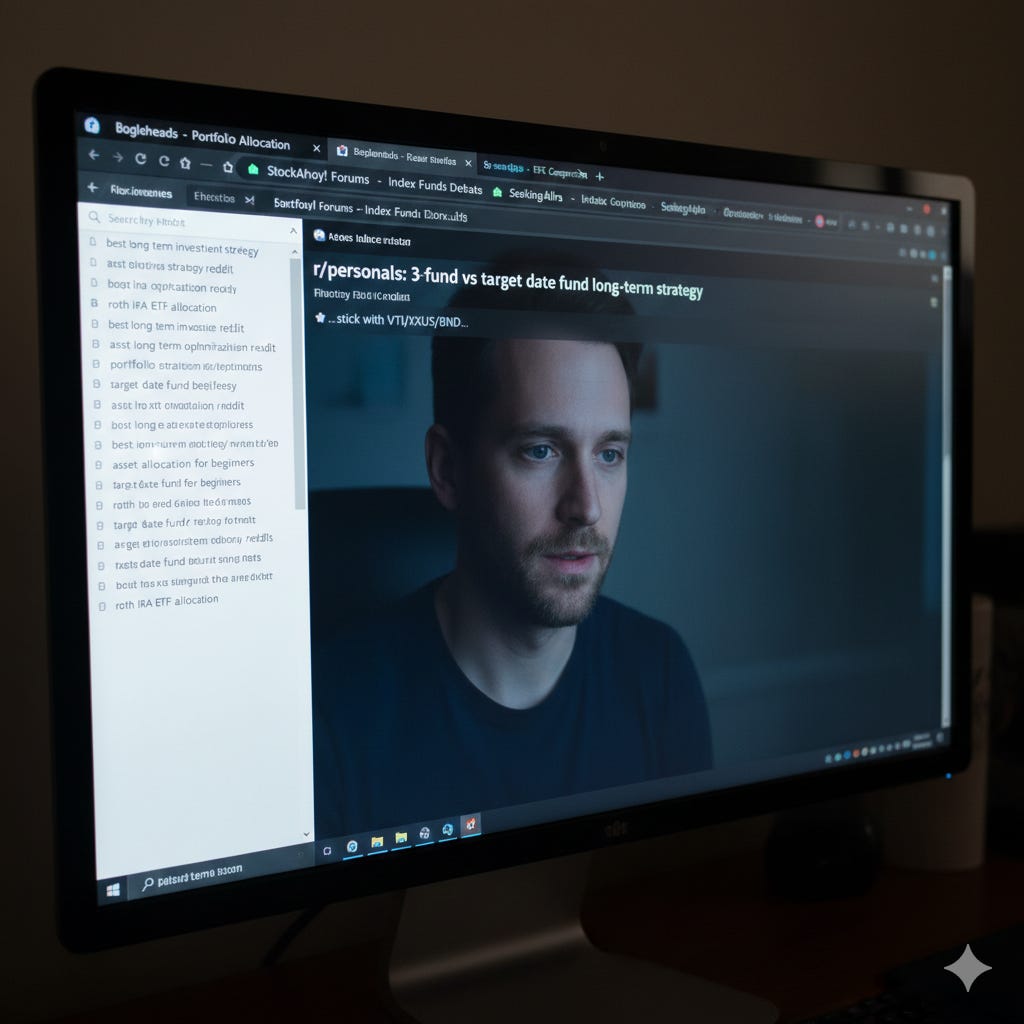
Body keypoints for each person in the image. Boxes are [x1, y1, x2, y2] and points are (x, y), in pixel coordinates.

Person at [313, 263, 712, 841]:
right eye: (541, 450)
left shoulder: (660, 672)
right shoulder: (332, 713)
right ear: (448, 469)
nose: (587, 508)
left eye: (609, 454)